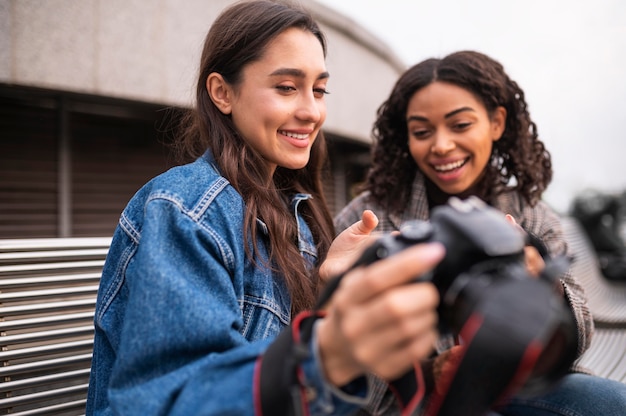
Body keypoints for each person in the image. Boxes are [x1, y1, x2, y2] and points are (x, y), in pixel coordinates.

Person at [86, 1, 444, 415]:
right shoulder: (185, 210)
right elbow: (169, 403)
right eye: (287, 87)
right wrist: (329, 350)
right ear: (222, 93)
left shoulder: (297, 219)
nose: (312, 110)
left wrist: (332, 287)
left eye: (320, 89)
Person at [334, 50, 626, 415]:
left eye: (460, 125)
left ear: (497, 123)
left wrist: (544, 287)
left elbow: (578, 332)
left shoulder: (528, 214)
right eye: (422, 132)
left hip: (518, 385)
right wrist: (427, 370)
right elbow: (339, 347)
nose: (441, 145)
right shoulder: (369, 217)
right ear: (405, 137)